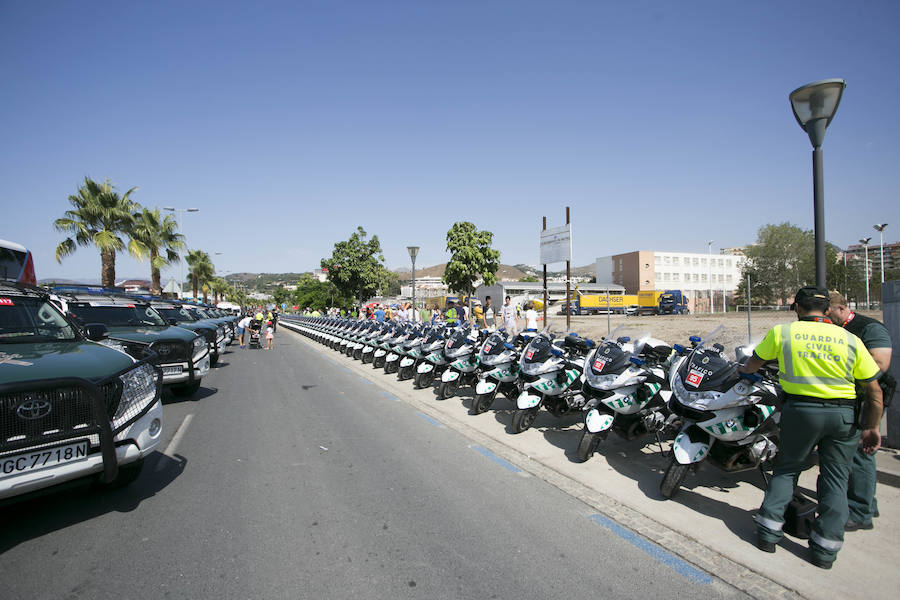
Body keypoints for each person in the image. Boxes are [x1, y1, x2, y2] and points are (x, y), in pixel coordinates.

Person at [739, 286, 883, 569]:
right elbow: (874, 392)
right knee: (836, 479)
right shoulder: (850, 339)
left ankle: (768, 534)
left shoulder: (783, 333)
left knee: (787, 469)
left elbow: (754, 363)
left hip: (800, 413)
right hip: (843, 418)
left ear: (796, 308)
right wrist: (872, 427)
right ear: (827, 309)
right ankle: (825, 550)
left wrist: (744, 371)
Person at [827, 291, 894, 531]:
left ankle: (860, 512)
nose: (826, 318)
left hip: (869, 398)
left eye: (829, 313)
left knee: (861, 452)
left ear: (842, 309)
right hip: (849, 397)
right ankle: (867, 502)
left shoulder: (869, 328)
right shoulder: (836, 328)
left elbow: (880, 364)